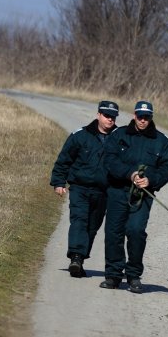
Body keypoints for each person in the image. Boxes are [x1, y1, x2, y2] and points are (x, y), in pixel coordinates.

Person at [101, 100, 168, 293]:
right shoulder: (119, 134)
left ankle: (133, 275)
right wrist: (129, 174)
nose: (143, 120)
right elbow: (109, 159)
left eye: (147, 117)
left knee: (135, 231)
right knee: (113, 232)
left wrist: (151, 180)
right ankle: (113, 275)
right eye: (140, 116)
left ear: (151, 118)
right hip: (118, 190)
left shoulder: (162, 141)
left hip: (142, 195)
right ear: (134, 115)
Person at [50, 100, 120, 277]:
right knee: (79, 220)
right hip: (80, 188)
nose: (110, 120)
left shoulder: (120, 139)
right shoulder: (80, 135)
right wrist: (59, 182)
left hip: (104, 191)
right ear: (98, 115)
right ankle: (76, 257)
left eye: (113, 117)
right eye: (106, 116)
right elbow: (64, 159)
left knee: (92, 227)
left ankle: (80, 259)